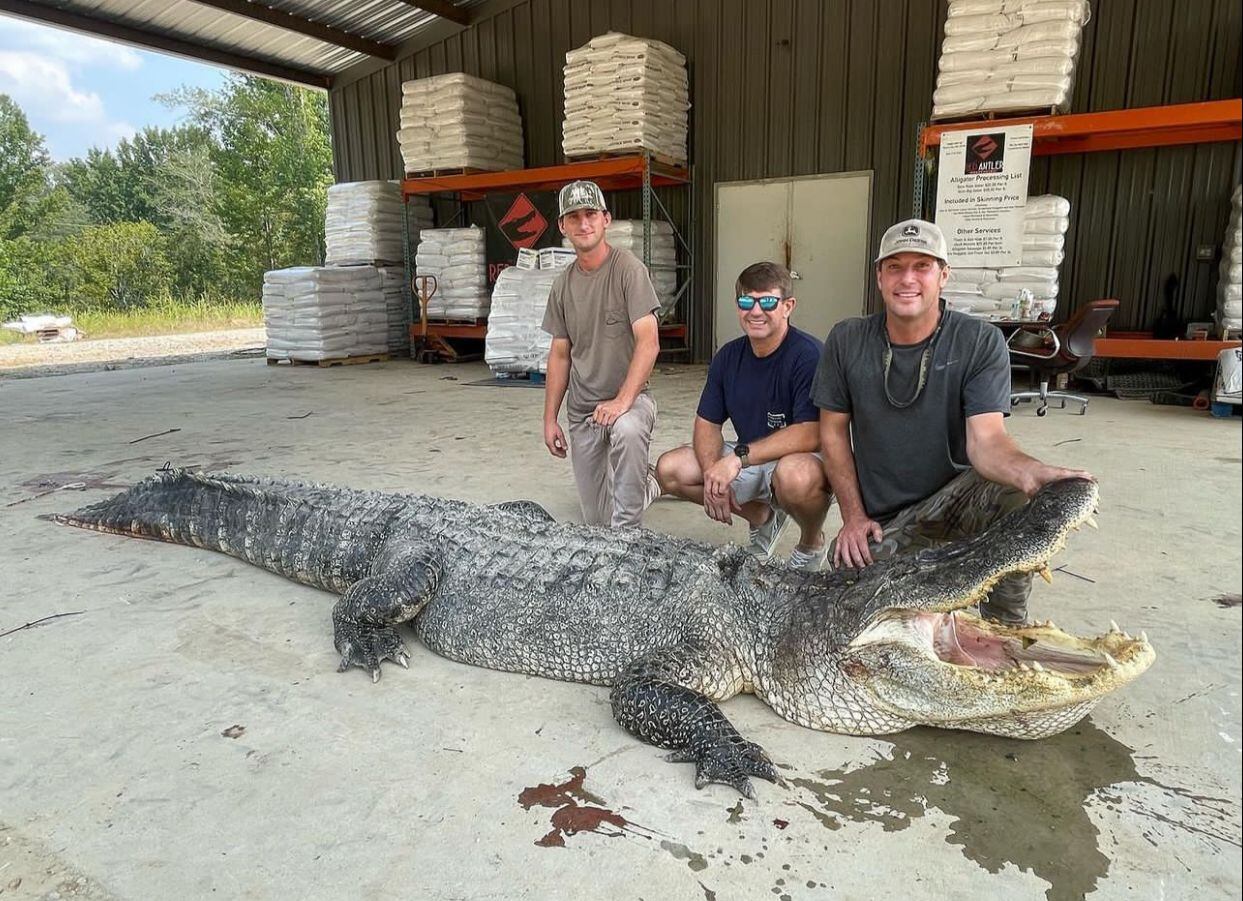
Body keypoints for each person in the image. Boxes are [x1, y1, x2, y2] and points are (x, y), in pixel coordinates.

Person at [811, 219, 1091, 623]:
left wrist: (1030, 472)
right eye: (895, 266)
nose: (907, 279)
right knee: (848, 594)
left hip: (959, 501)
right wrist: (853, 517)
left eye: (921, 266)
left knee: (1011, 496)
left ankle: (1004, 628)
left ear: (943, 275)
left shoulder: (978, 341)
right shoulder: (847, 339)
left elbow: (987, 441)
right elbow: (833, 434)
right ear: (878, 276)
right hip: (891, 519)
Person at [653, 262, 833, 571]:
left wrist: (737, 459)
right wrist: (713, 474)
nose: (756, 311)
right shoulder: (728, 357)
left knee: (795, 478)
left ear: (788, 306)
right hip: (748, 457)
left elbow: (811, 432)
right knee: (670, 469)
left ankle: (811, 541)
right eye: (747, 302)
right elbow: (707, 423)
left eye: (768, 302)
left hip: (798, 458)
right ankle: (761, 516)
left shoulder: (809, 355)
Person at [541, 180, 662, 528]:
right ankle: (646, 485)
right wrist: (550, 419)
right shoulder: (563, 285)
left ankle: (630, 537)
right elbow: (560, 355)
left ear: (606, 219)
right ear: (562, 226)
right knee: (596, 521)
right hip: (584, 411)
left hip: (630, 401)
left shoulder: (629, 271)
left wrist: (623, 401)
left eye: (591, 214)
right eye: (573, 217)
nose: (583, 224)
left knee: (626, 430)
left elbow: (648, 341)